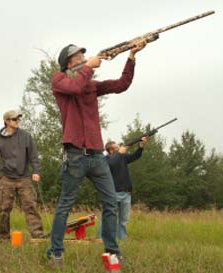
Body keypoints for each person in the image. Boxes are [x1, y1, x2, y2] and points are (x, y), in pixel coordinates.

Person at [46, 40, 147, 268]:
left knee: (111, 204)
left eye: (84, 56)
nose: (83, 58)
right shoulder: (59, 80)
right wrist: (89, 67)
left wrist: (131, 56)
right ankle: (55, 253)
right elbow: (74, 88)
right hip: (75, 155)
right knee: (65, 205)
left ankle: (112, 252)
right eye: (78, 58)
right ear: (68, 63)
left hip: (97, 155)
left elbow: (121, 84)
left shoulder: (90, 84)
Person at [0, 110, 46, 240]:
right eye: (15, 119)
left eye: (18, 119)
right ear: (7, 122)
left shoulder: (26, 136)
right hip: (6, 179)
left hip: (24, 178)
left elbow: (34, 156)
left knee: (31, 207)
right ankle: (3, 236)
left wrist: (36, 171)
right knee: (4, 209)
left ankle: (38, 236)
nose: (18, 121)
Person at [96, 137, 149, 241]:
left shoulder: (122, 158)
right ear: (111, 151)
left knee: (124, 220)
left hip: (126, 194)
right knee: (108, 218)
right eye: (116, 148)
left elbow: (135, 156)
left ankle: (122, 239)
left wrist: (141, 146)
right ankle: (101, 238)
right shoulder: (106, 160)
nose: (119, 148)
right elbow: (112, 164)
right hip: (113, 193)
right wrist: (120, 154)